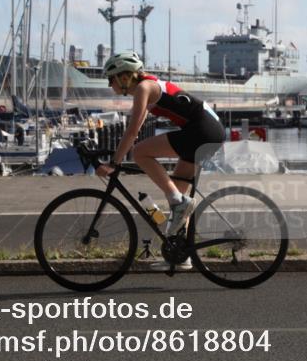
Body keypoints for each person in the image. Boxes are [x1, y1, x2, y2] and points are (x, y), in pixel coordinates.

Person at [95, 51, 225, 269]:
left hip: (202, 131)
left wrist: (113, 163)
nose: (111, 85)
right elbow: (135, 126)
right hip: (209, 129)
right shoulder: (147, 87)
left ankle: (177, 201)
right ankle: (181, 256)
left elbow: (132, 131)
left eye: (111, 79)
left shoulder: (144, 88)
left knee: (140, 152)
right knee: (180, 201)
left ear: (124, 77)